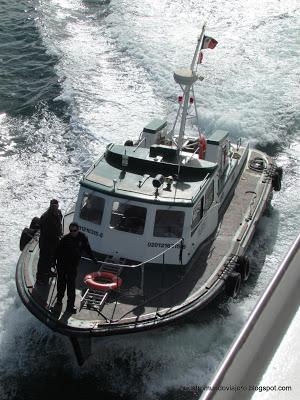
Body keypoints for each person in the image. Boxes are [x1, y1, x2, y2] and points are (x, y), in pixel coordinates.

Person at [55, 222, 98, 314]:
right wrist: (53, 263)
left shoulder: (82, 237)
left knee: (71, 286)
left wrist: (94, 259)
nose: (72, 232)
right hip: (62, 265)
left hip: (73, 266)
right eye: (71, 230)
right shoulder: (64, 239)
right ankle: (58, 302)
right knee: (61, 285)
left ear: (78, 229)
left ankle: (70, 306)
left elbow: (87, 249)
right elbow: (57, 252)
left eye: (74, 230)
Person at [36, 199, 62, 284]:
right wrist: (56, 236)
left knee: (52, 258)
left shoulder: (59, 213)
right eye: (53, 205)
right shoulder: (45, 217)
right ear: (50, 206)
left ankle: (48, 272)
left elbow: (59, 224)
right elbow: (45, 232)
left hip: (54, 242)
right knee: (43, 260)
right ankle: (40, 278)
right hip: (46, 243)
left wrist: (59, 234)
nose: (55, 207)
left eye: (56, 205)